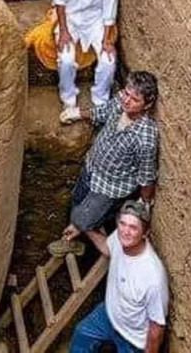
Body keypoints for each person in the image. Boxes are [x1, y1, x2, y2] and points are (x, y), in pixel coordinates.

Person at [48, 72, 159, 255]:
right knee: (76, 201)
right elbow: (102, 112)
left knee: (83, 219)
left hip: (109, 187)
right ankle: (75, 239)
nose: (127, 100)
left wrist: (145, 202)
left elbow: (146, 175)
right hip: (91, 168)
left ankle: (91, 242)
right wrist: (77, 114)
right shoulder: (119, 102)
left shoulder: (145, 136)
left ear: (147, 104)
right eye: (127, 93)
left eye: (135, 99)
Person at [69, 200, 168, 353]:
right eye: (122, 223)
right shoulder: (119, 237)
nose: (126, 231)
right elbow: (108, 248)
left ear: (145, 233)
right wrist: (84, 227)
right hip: (110, 314)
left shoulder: (152, 277)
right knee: (81, 334)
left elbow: (157, 328)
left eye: (133, 227)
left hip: (133, 338)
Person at [50, 0, 119, 120]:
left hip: (95, 19)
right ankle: (68, 98)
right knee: (65, 59)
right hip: (69, 16)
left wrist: (106, 39)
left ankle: (100, 103)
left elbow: (110, 3)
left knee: (108, 60)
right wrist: (63, 30)